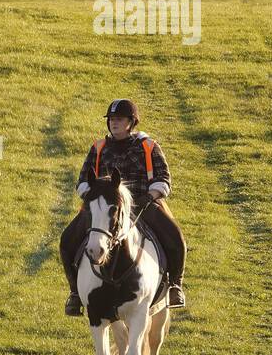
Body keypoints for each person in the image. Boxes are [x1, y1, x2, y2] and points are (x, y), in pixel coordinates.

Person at [59, 99, 187, 316]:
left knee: (176, 238)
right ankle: (75, 293)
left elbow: (163, 178)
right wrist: (92, 197)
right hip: (104, 208)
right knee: (67, 240)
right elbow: (83, 180)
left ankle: (175, 285)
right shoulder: (98, 147)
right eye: (111, 119)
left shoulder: (148, 146)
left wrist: (151, 195)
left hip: (142, 204)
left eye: (119, 119)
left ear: (131, 122)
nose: (114, 123)